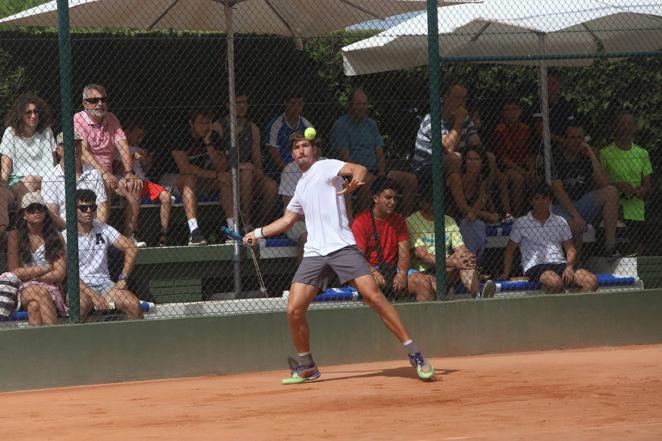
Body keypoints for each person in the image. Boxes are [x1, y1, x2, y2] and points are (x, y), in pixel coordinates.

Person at [244, 132, 435, 384]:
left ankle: (415, 353)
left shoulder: (326, 166)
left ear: (314, 151)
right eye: (297, 148)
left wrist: (354, 182)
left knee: (373, 296)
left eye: (305, 146)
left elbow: (360, 168)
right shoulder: (300, 186)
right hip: (314, 253)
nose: (301, 151)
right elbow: (288, 220)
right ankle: (307, 365)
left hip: (342, 247)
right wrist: (257, 233)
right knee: (294, 308)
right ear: (292, 154)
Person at [74, 84, 145, 247]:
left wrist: (129, 172)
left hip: (110, 174)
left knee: (133, 186)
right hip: (86, 173)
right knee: (104, 183)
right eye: (94, 100)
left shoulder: (112, 118)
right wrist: (104, 173)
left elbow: (123, 146)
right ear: (85, 103)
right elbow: (82, 152)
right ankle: (96, 239)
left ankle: (130, 235)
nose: (99, 104)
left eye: (103, 100)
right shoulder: (78, 119)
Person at [330, 88, 417, 214]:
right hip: (353, 172)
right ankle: (365, 221)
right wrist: (361, 172)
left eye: (365, 104)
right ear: (350, 105)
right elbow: (344, 156)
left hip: (377, 171)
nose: (362, 107)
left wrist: (381, 175)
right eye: (358, 104)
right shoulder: (340, 125)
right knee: (368, 180)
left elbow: (380, 152)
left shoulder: (371, 124)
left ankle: (405, 220)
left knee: (410, 179)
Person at [500, 183, 598, 293]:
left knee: (591, 281)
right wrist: (506, 273)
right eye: (537, 199)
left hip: (561, 264)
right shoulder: (521, 223)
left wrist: (569, 266)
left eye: (545, 198)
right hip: (536, 266)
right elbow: (509, 250)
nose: (542, 202)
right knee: (555, 282)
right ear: (531, 202)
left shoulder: (560, 221)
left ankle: (577, 309)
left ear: (550, 200)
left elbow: (570, 248)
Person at [351, 178, 436, 302]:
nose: (393, 202)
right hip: (369, 270)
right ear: (375, 198)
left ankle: (423, 321)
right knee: (371, 286)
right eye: (388, 197)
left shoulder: (399, 221)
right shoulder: (361, 222)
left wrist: (402, 273)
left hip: (392, 270)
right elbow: (358, 257)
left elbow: (404, 253)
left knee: (424, 283)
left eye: (395, 198)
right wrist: (373, 272)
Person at [159, 109, 233, 245]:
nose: (205, 126)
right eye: (200, 123)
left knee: (225, 180)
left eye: (208, 123)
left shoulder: (212, 136)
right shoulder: (179, 134)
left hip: (198, 181)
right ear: (191, 123)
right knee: (190, 178)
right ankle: (194, 232)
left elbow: (222, 168)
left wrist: (208, 143)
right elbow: (185, 168)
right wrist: (216, 175)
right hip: (171, 180)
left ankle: (232, 229)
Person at [406, 187, 495, 299]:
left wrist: (467, 255)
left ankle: (478, 295)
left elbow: (460, 247)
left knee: (465, 262)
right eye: (429, 201)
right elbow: (423, 256)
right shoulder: (411, 221)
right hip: (425, 271)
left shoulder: (449, 221)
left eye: (436, 201)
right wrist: (454, 262)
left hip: (447, 268)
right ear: (421, 203)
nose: (434, 204)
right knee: (434, 283)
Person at [67, 189, 142, 320]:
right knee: (81, 306)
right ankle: (77, 340)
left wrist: (123, 278)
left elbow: (131, 247)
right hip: (79, 287)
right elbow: (67, 272)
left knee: (133, 304)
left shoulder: (104, 229)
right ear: (74, 210)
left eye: (92, 207)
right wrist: (92, 294)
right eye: (83, 208)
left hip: (105, 286)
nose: (89, 211)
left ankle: (135, 340)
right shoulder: (65, 236)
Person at [4, 192, 74, 325]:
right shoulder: (15, 235)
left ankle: (36, 344)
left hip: (51, 287)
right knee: (41, 293)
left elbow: (59, 274)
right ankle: (55, 337)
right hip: (23, 287)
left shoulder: (55, 236)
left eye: (40, 208)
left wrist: (32, 276)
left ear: (45, 212)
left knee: (34, 306)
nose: (36, 211)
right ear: (24, 214)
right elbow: (14, 271)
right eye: (31, 209)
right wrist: (47, 268)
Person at [551, 125, 619, 255]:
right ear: (565, 140)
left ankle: (610, 245)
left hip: (581, 203)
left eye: (579, 138)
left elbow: (604, 183)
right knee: (576, 227)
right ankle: (574, 267)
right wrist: (576, 216)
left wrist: (591, 155)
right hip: (560, 207)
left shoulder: (585, 159)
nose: (576, 141)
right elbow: (558, 191)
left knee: (611, 191)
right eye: (572, 138)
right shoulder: (556, 159)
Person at [215, 93, 278, 229]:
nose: (242, 106)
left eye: (244, 102)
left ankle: (261, 227)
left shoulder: (253, 128)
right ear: (228, 105)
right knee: (246, 172)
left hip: (248, 174)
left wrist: (258, 171)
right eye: (237, 103)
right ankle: (246, 222)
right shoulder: (218, 127)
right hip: (227, 175)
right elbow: (217, 162)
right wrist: (241, 166)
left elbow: (256, 158)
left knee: (271, 187)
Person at [599, 112, 652, 255]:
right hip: (615, 212)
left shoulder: (642, 154)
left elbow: (647, 184)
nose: (625, 127)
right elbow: (599, 183)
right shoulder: (605, 153)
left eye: (629, 124)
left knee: (635, 253)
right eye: (622, 124)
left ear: (634, 128)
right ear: (615, 127)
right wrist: (618, 186)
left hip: (636, 211)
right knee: (617, 252)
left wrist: (641, 190)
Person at [42, 131, 108, 231]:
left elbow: (102, 207)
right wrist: (73, 232)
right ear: (59, 150)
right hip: (65, 230)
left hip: (93, 229)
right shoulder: (50, 177)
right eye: (69, 145)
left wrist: (95, 230)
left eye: (77, 144)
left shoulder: (94, 173)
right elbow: (53, 213)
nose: (75, 149)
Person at [446, 146, 501, 263]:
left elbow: (476, 208)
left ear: (482, 162)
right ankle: (470, 263)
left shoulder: (481, 180)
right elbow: (463, 208)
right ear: (464, 162)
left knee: (476, 224)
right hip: (449, 218)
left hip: (468, 219)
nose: (472, 162)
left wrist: (481, 211)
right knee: (469, 224)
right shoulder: (456, 177)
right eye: (469, 159)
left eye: (476, 159)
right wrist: (487, 215)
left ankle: (473, 261)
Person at [123, 121, 172, 246]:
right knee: (135, 191)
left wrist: (147, 161)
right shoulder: (120, 147)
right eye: (137, 135)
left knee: (166, 196)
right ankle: (134, 232)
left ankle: (163, 235)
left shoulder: (138, 148)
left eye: (142, 136)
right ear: (128, 132)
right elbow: (116, 168)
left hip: (144, 181)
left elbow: (145, 170)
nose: (140, 139)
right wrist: (132, 157)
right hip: (128, 182)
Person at [0, 93, 55, 204]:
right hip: (17, 180)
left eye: (36, 112)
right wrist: (2, 186)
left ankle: (21, 218)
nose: (33, 116)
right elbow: (6, 166)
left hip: (46, 180)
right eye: (28, 112)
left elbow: (53, 162)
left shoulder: (47, 131)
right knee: (28, 182)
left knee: (31, 182)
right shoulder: (11, 132)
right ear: (20, 115)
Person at [493, 100, 533, 216]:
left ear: (520, 111)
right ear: (503, 113)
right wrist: (524, 172)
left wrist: (530, 170)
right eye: (507, 110)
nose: (511, 113)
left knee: (535, 178)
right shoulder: (500, 130)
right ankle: (517, 215)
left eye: (514, 109)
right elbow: (502, 158)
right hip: (506, 167)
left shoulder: (526, 129)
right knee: (518, 178)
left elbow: (529, 153)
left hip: (524, 166)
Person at [263, 87, 312, 177]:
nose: (296, 108)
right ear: (285, 103)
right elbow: (274, 154)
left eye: (299, 104)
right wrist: (290, 172)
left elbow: (312, 151)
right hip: (278, 171)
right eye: (293, 104)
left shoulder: (307, 126)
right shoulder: (275, 126)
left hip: (302, 168)